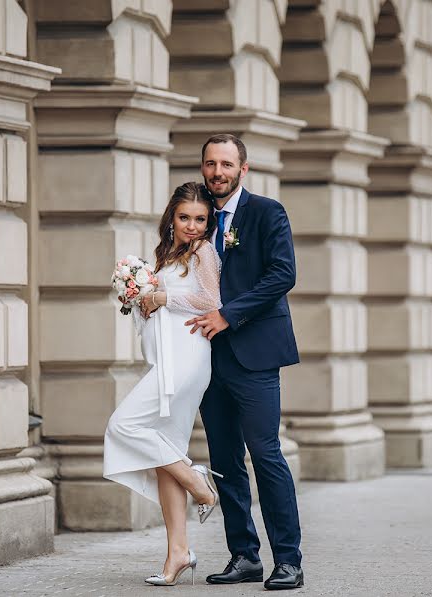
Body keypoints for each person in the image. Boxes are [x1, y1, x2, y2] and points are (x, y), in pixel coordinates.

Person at [186, 134, 304, 590]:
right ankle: (244, 555)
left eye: (227, 164)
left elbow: (283, 274)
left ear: (243, 169)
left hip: (253, 356)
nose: (218, 172)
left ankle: (289, 560)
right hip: (207, 359)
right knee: (224, 460)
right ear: (203, 167)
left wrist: (228, 314)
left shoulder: (266, 213)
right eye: (211, 163)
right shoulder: (196, 216)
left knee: (265, 453)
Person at [103, 182, 224, 586]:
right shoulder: (165, 254)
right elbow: (154, 312)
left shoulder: (203, 251)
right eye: (185, 217)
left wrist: (163, 296)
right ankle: (179, 553)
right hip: (165, 361)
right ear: (171, 218)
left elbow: (212, 301)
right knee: (164, 457)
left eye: (200, 219)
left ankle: (197, 482)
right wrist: (137, 296)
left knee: (124, 425)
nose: (192, 226)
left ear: (208, 223)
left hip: (188, 360)